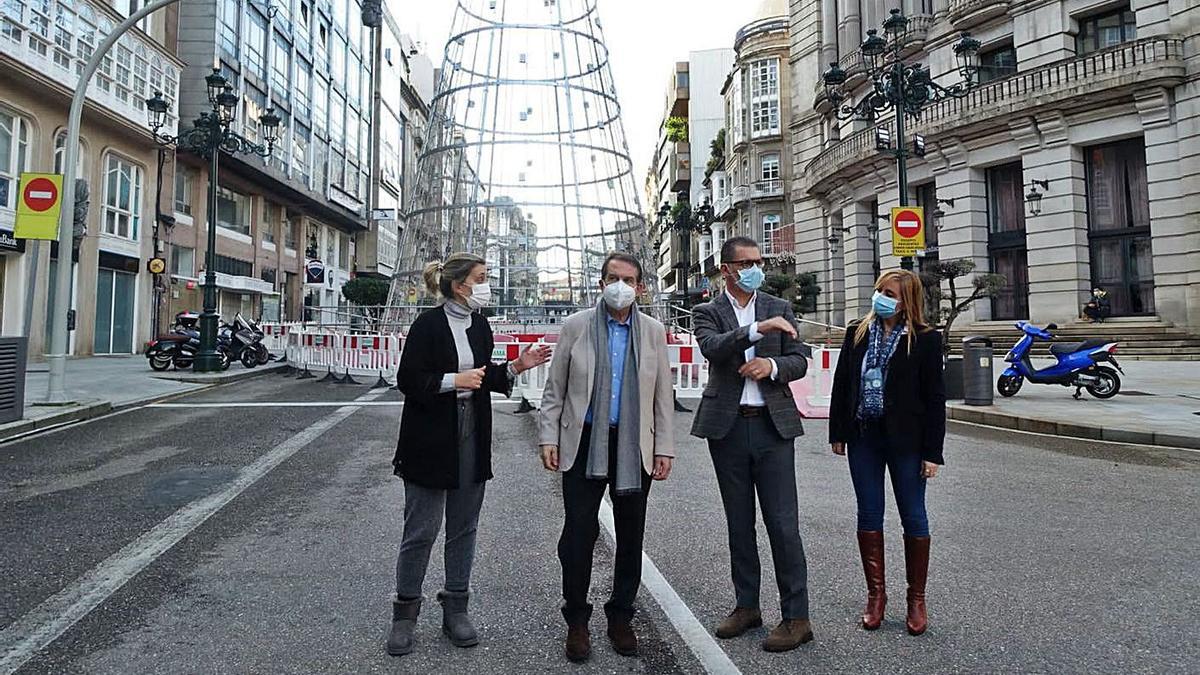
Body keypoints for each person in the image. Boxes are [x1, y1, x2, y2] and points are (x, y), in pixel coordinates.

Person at [387, 253, 551, 657]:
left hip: (472, 430)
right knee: (421, 530)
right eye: (481, 278)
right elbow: (408, 379)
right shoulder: (427, 325)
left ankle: (455, 606)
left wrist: (514, 367)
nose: (486, 284)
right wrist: (451, 380)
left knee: (464, 527)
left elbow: (482, 376)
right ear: (460, 285)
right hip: (429, 436)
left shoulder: (479, 325)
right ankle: (404, 614)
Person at [537, 252, 675, 663]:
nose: (621, 286)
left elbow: (662, 396)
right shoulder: (576, 326)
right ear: (600, 283)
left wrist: (664, 446)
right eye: (614, 278)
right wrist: (549, 437)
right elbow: (555, 388)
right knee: (578, 534)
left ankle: (621, 616)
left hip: (635, 445)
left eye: (629, 279)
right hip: (582, 443)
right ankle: (576, 619)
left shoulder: (652, 331)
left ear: (641, 287)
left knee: (631, 535)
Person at [690, 236, 814, 653]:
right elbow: (714, 348)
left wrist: (773, 364)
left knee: (782, 524)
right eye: (745, 263)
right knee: (739, 523)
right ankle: (747, 606)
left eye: (758, 261)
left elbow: (799, 358)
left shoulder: (779, 306)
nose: (754, 269)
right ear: (725, 268)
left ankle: (796, 617)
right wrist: (757, 331)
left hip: (772, 427)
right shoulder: (707, 311)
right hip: (727, 428)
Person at [828, 269, 946, 637]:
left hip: (907, 442)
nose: (881, 297)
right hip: (864, 436)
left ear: (906, 299)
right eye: (879, 290)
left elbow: (935, 399)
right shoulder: (857, 333)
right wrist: (838, 432)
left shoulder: (925, 340)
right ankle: (876, 597)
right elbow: (843, 384)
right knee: (869, 513)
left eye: (890, 292)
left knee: (914, 516)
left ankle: (916, 599)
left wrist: (932, 453)